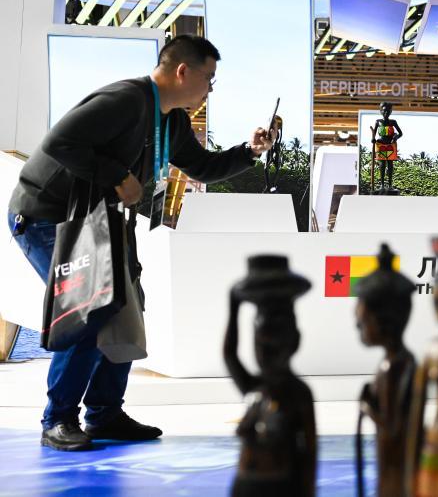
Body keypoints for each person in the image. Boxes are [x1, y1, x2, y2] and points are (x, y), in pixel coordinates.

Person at [7, 34, 277, 451]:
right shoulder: (124, 100)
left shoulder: (172, 121)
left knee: (125, 308)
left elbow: (202, 167)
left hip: (101, 220)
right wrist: (117, 175)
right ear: (182, 71)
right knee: (87, 310)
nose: (210, 89)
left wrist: (250, 151)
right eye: (209, 79)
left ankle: (104, 413)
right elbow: (60, 143)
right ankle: (57, 419)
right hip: (49, 216)